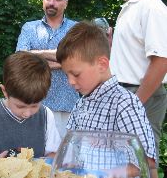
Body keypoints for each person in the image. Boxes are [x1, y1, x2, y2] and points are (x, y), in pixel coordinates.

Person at [56, 21, 157, 177]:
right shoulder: (80, 104)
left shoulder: (124, 103)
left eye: (75, 74)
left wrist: (108, 174)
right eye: (66, 75)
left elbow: (147, 159)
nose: (70, 81)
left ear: (102, 64)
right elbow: (70, 146)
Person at [104, 0, 167, 160]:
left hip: (141, 95)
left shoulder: (152, 7)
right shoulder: (132, 7)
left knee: (143, 161)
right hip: (128, 93)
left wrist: (135, 102)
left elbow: (162, 61)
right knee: (123, 162)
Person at [0, 51, 61, 159]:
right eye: (20, 106)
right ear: (5, 91)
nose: (27, 113)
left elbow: (54, 154)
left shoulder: (46, 115)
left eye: (34, 106)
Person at [16, 0, 79, 138]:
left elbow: (77, 61)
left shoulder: (76, 29)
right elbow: (20, 59)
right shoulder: (29, 28)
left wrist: (35, 54)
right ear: (43, 0)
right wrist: (62, 58)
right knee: (34, 156)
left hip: (67, 106)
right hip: (34, 104)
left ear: (66, 3)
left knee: (65, 158)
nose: (52, 3)